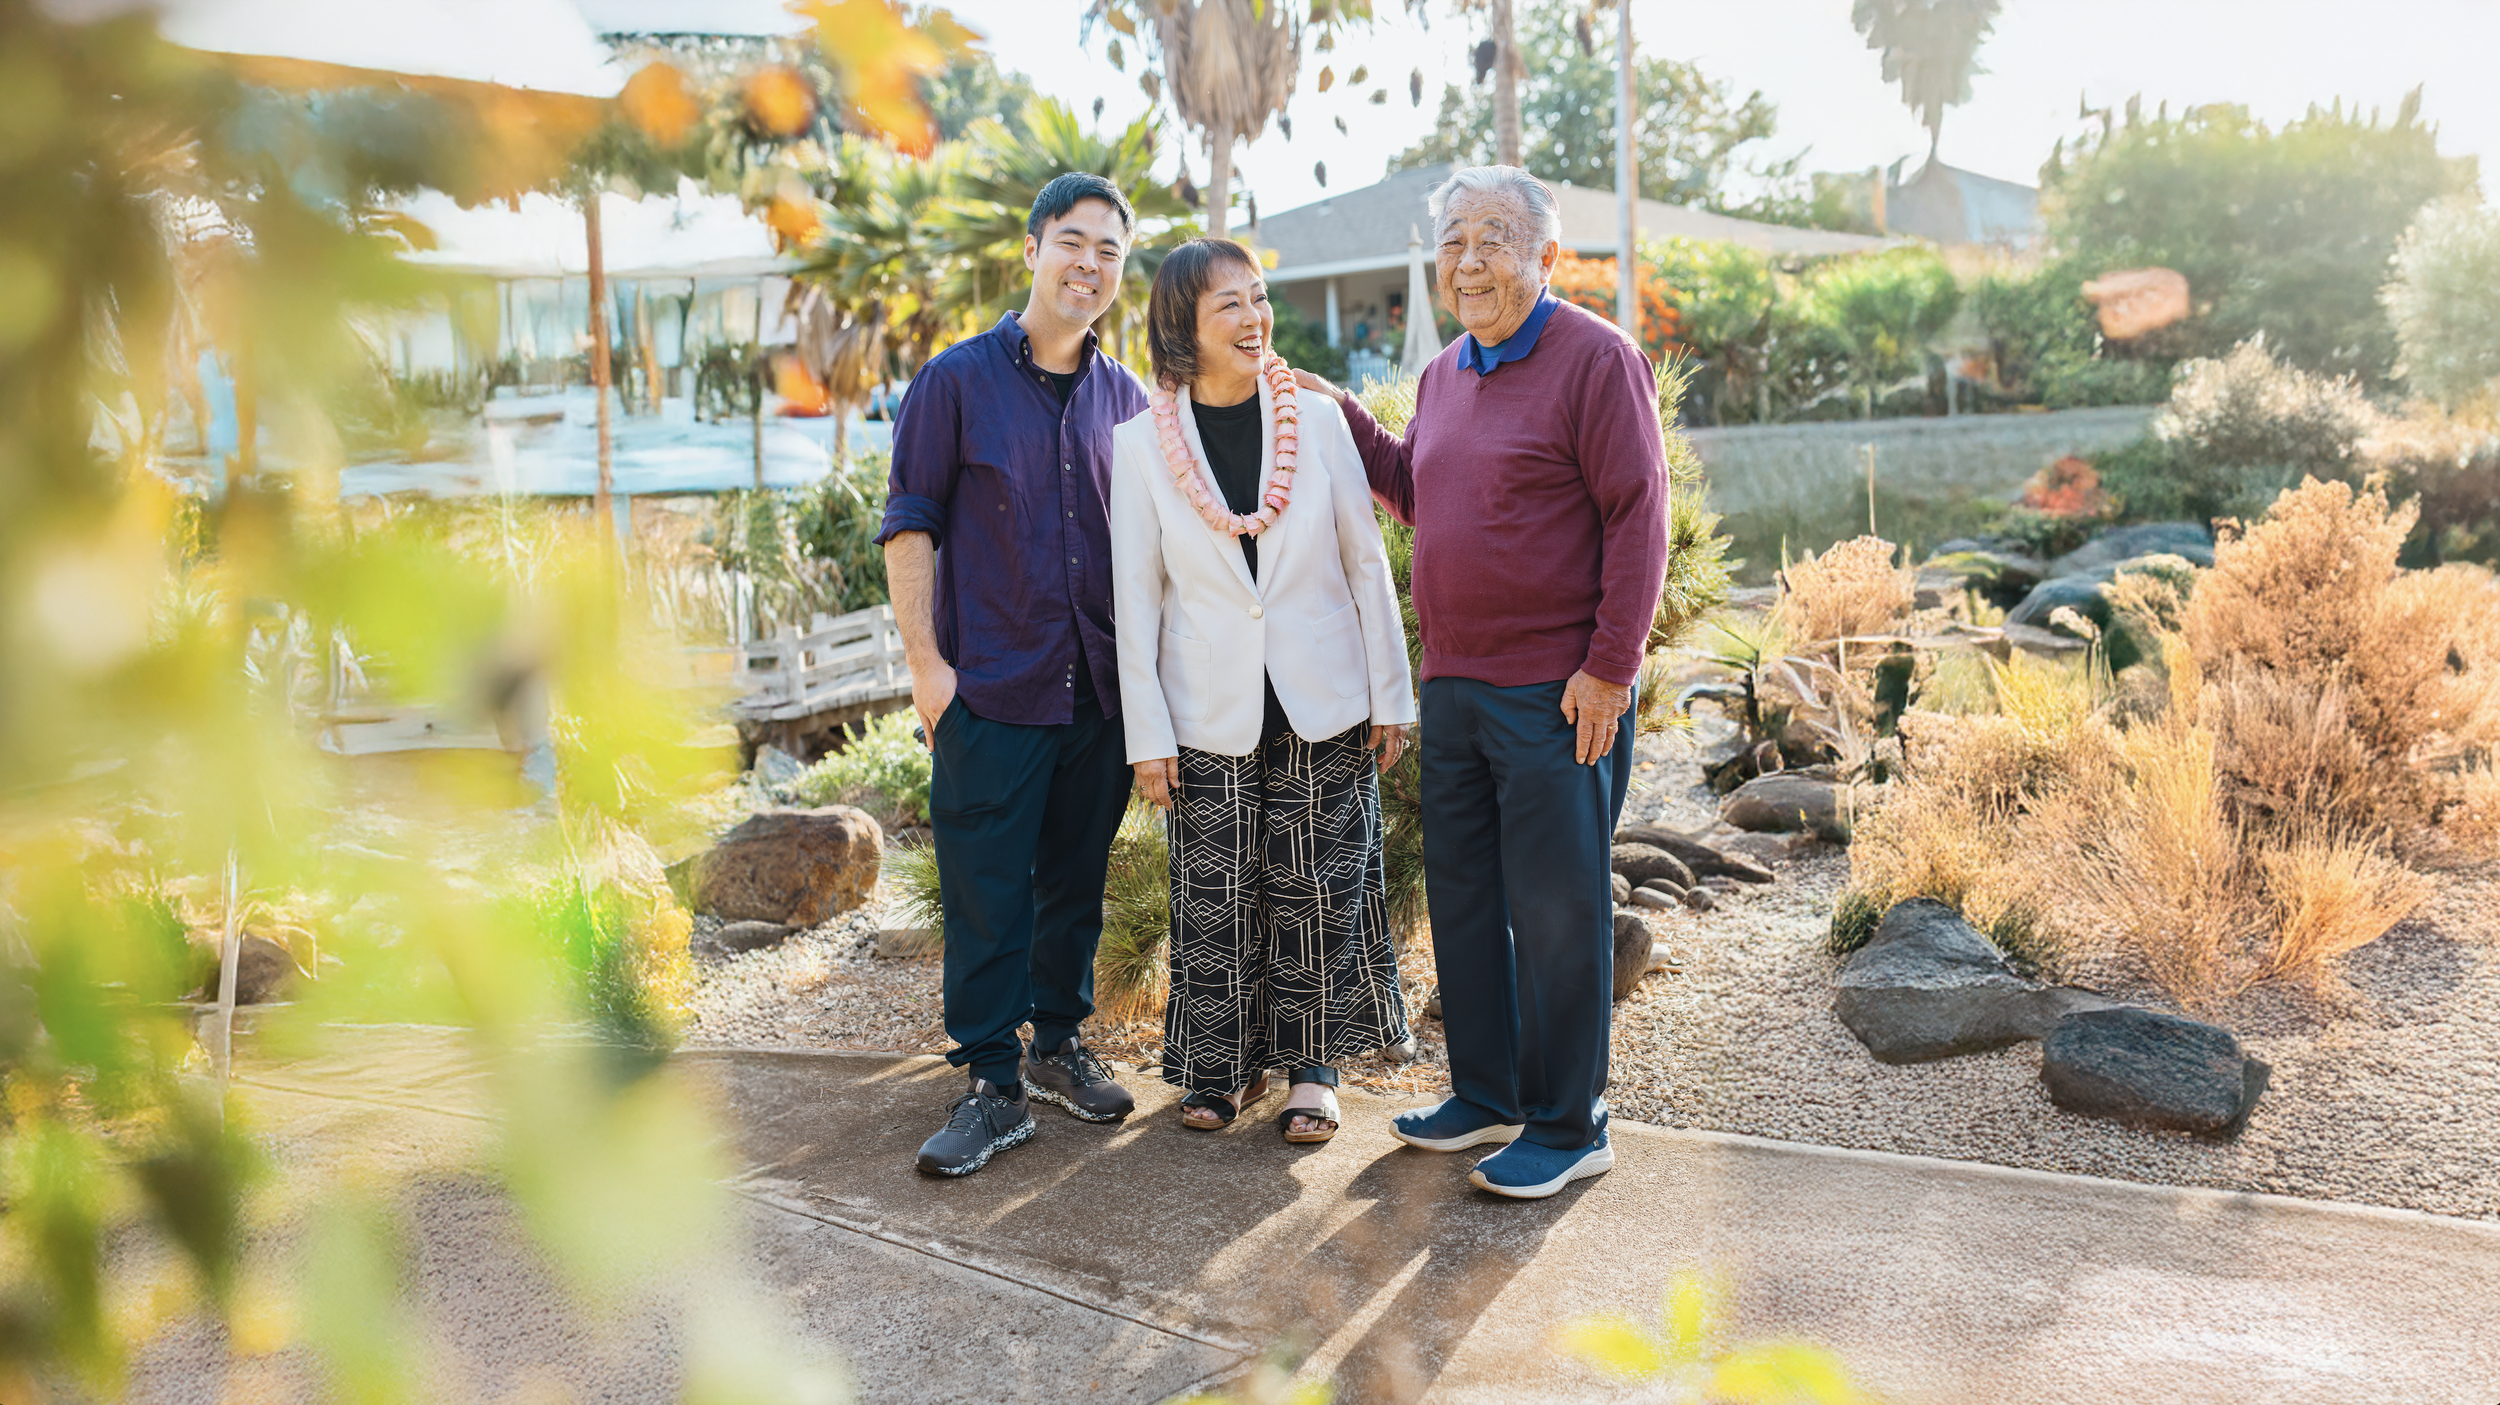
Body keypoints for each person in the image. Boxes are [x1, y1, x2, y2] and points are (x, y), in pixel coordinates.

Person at [1299, 166, 1668, 1199]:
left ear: (1546, 256)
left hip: (1558, 691)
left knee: (1556, 913)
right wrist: (1342, 415)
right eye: (1454, 238)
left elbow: (1639, 514)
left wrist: (1610, 669)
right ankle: (1488, 1092)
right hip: (1455, 683)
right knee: (1465, 902)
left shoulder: (1599, 359)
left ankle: (1570, 1123)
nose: (1468, 260)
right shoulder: (1443, 373)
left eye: (1494, 237)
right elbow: (1418, 490)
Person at [1108, 238, 1416, 1143]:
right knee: (1215, 894)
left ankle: (1313, 1072)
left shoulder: (1316, 420)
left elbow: (1367, 564)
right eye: (1230, 305)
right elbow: (1136, 598)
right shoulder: (1140, 444)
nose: (1255, 318)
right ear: (1183, 327)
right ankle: (1222, 1069)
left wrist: (1392, 696)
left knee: (1319, 888)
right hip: (1205, 707)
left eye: (1260, 297)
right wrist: (1145, 736)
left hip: (1327, 696)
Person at [878, 173, 1147, 1178]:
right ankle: (991, 1083)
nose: (1089, 263)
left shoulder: (1128, 400)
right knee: (987, 896)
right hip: (989, 692)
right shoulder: (954, 383)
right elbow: (909, 524)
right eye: (1072, 241)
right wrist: (928, 670)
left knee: (1073, 885)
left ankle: (1057, 1044)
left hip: (1096, 699)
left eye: (1109, 250)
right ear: (1032, 250)